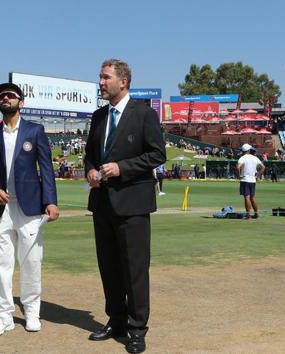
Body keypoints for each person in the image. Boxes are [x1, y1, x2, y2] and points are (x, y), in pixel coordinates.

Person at [84, 59, 166, 354]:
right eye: (100, 77)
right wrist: (91, 171)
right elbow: (89, 156)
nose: (101, 82)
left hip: (133, 203)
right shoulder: (97, 117)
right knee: (109, 267)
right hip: (102, 203)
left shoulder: (143, 114)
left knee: (134, 269)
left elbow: (157, 155)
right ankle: (115, 320)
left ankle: (136, 328)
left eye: (105, 77)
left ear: (124, 81)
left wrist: (123, 168)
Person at [0, 83, 59, 336]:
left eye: (11, 95)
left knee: (31, 261)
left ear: (20, 102)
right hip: (0, 207)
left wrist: (51, 201)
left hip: (31, 208)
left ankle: (32, 311)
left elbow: (46, 168)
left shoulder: (35, 131)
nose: (5, 98)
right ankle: (4, 314)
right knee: (2, 263)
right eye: (2, 96)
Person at [237, 143, 265, 219]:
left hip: (245, 180)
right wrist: (257, 176)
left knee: (247, 197)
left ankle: (248, 215)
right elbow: (263, 167)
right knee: (252, 197)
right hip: (253, 180)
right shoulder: (255, 158)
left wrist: (239, 175)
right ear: (249, 150)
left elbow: (238, 167)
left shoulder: (242, 158)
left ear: (243, 151)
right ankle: (256, 214)